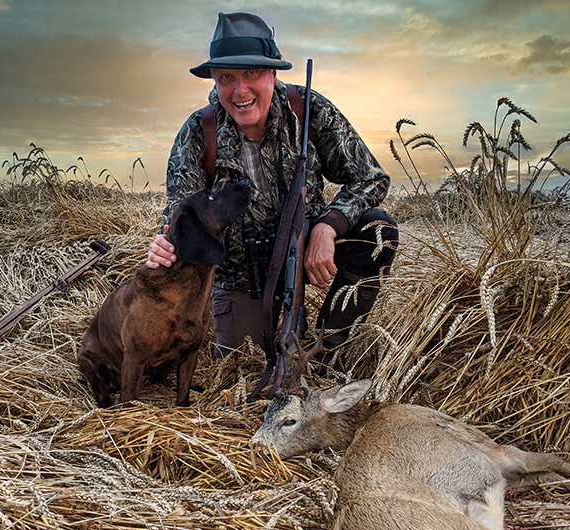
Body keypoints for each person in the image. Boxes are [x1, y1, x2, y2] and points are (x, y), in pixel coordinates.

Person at [147, 12, 398, 367]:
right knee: (243, 369)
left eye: (252, 74)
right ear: (215, 82)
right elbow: (178, 214)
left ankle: (329, 349)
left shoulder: (309, 110)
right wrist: (164, 244)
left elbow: (372, 177)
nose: (240, 90)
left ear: (273, 74)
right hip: (241, 274)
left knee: (378, 231)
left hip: (309, 250)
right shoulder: (198, 131)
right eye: (227, 77)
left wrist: (328, 226)